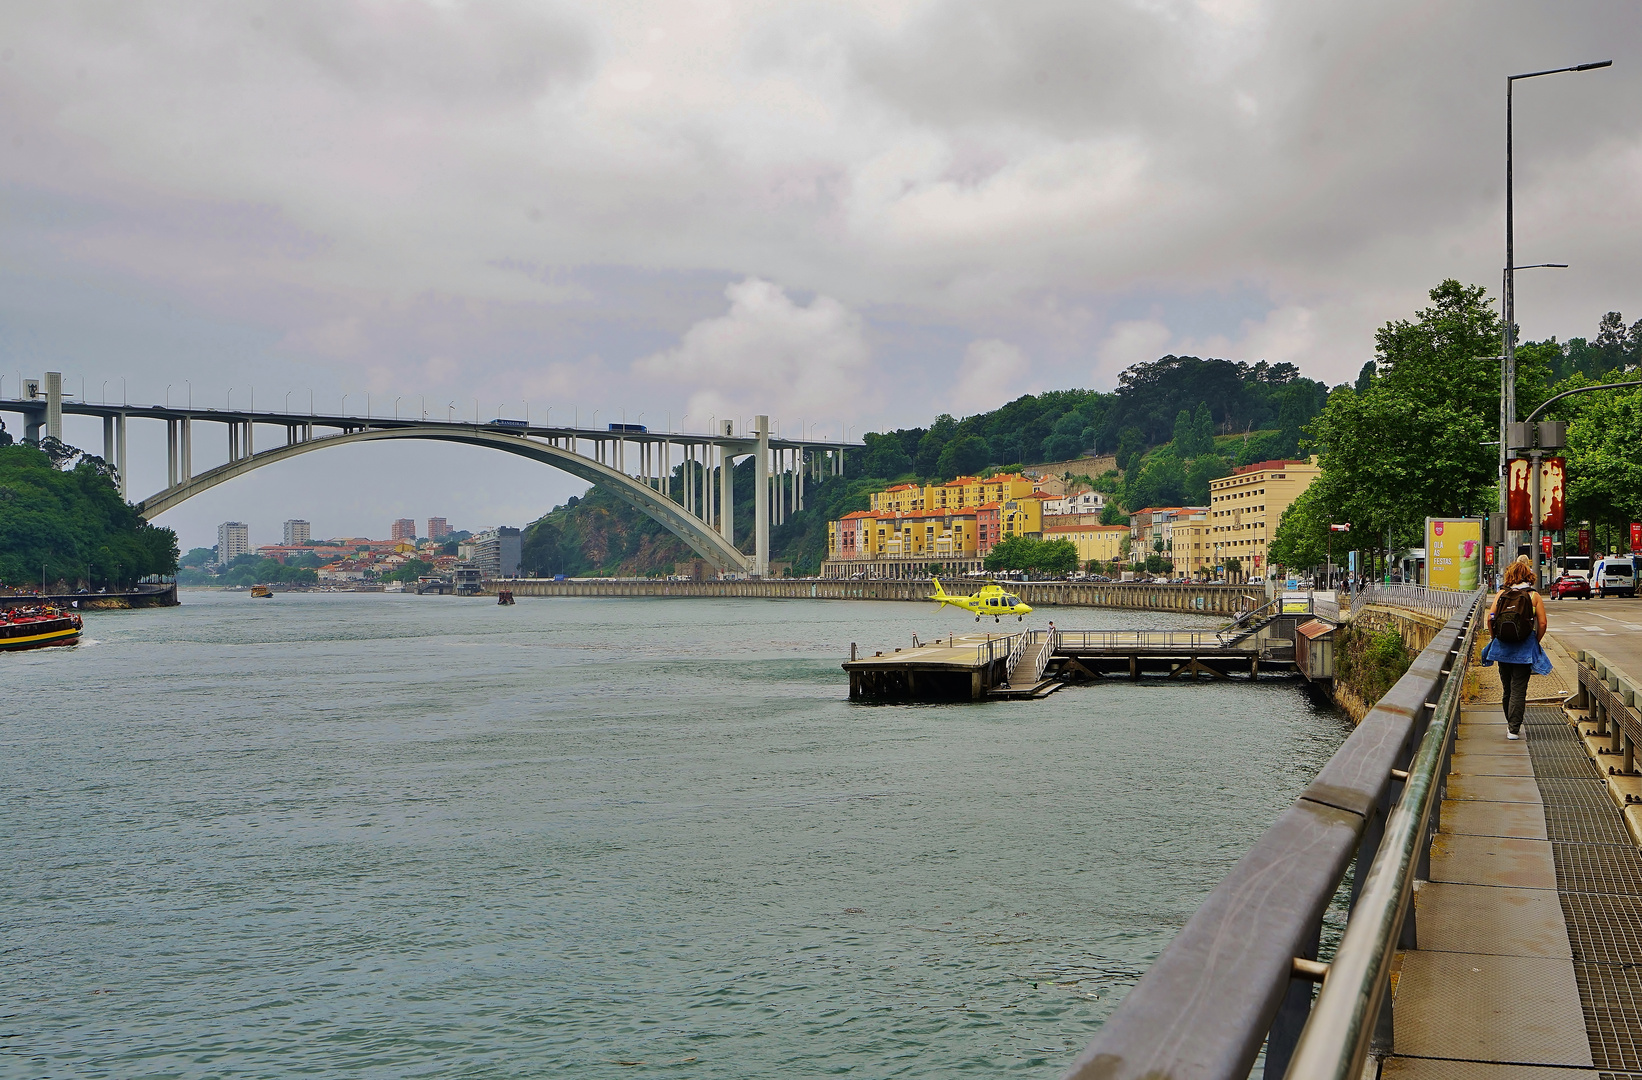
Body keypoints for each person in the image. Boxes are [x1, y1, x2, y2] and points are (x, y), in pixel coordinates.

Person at [1480, 555, 1551, 740]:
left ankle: (1510, 721)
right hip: (1524, 649)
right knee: (1519, 688)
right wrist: (1536, 639)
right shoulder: (1534, 596)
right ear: (1529, 576)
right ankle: (1513, 728)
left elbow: (1490, 618)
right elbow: (1542, 623)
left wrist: (1495, 637)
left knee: (1507, 689)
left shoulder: (1501, 594)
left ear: (1509, 576)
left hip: (1502, 648)